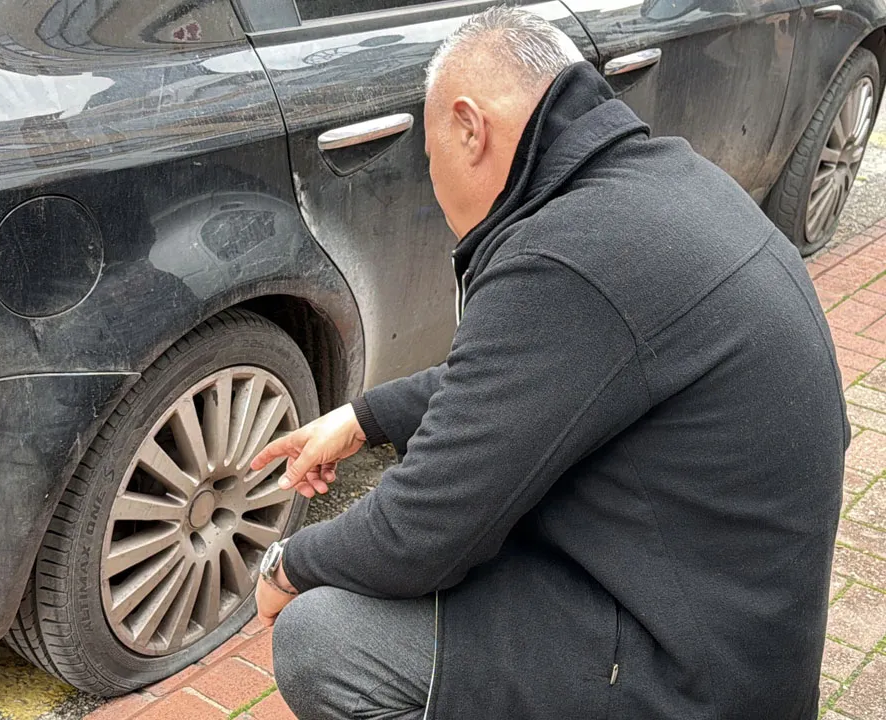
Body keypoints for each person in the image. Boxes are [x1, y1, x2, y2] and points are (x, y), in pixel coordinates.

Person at [249, 7, 848, 720]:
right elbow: (530, 377)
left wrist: (287, 566)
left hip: (687, 681)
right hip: (736, 634)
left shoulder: (567, 254)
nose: (442, 203)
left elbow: (422, 532)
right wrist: (364, 416)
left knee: (326, 638)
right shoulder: (659, 185)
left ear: (470, 128)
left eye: (435, 168)